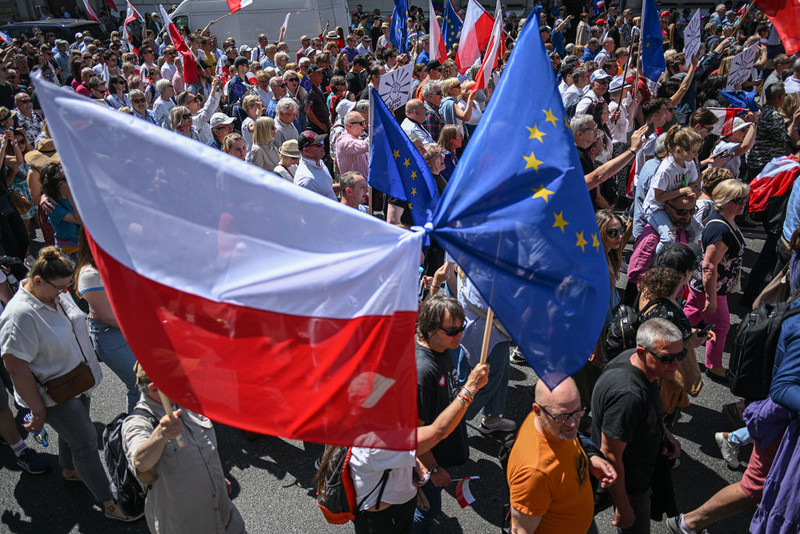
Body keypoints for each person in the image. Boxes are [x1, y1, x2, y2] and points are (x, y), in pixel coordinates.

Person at [0, 247, 138, 522]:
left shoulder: (56, 294)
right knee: (86, 443)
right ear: (38, 281)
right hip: (54, 394)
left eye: (68, 286)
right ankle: (110, 503)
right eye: (61, 287)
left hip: (77, 380)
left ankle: (69, 469)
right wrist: (38, 410)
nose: (66, 292)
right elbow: (15, 367)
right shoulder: (19, 316)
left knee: (73, 435)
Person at [122, 363, 246, 533]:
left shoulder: (182, 403)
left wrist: (211, 476)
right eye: (178, 381)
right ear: (154, 389)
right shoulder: (137, 423)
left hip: (227, 519)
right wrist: (161, 434)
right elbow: (140, 463)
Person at [592, 318, 683, 534]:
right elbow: (611, 455)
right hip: (628, 481)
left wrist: (664, 433)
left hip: (632, 469)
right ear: (642, 353)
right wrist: (624, 507)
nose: (676, 364)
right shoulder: (628, 397)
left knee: (576, 512)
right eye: (667, 358)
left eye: (680, 355)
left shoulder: (632, 361)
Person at [507, 377, 617, 533]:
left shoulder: (551, 423)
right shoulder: (535, 473)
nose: (573, 424)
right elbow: (521, 530)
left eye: (578, 412)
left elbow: (575, 436)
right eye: (563, 416)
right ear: (537, 410)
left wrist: (591, 456)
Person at [412, 295, 472, 533]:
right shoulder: (423, 372)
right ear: (429, 328)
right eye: (451, 330)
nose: (459, 335)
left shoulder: (443, 346)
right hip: (430, 459)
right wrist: (433, 469)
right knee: (428, 511)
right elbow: (413, 435)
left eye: (461, 328)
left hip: (443, 449)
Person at [683, 179, 750, 383]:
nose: (744, 203)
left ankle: (667, 337)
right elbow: (709, 267)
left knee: (689, 316)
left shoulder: (726, 217)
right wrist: (711, 298)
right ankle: (714, 366)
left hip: (707, 286)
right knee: (721, 325)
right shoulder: (720, 229)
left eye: (745, 198)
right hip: (711, 288)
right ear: (725, 200)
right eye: (738, 199)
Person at [642, 126, 703, 255]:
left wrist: (693, 191)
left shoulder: (689, 163)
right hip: (656, 208)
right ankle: (656, 264)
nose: (696, 155)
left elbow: (693, 183)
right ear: (679, 150)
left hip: (676, 206)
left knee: (697, 229)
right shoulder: (666, 169)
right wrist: (683, 191)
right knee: (668, 238)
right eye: (693, 151)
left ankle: (689, 258)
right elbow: (658, 196)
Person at [40, 162, 81, 257]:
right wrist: (70, 196)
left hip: (82, 243)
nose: (70, 180)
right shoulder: (52, 206)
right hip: (70, 249)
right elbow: (78, 219)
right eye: (65, 179)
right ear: (57, 184)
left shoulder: (73, 193)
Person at [294, 130, 336, 201]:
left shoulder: (319, 161)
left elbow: (327, 189)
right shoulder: (307, 180)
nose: (323, 145)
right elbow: (311, 209)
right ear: (306, 150)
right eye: (319, 144)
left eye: (322, 142)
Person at [335, 111, 369, 180]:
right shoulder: (343, 141)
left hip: (364, 186)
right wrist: (378, 128)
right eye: (361, 123)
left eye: (364, 122)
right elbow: (365, 146)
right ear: (350, 125)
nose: (364, 126)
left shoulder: (358, 138)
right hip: (354, 188)